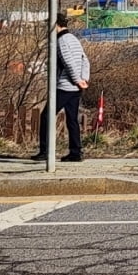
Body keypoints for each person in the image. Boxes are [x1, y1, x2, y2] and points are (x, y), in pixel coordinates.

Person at [31, 11, 91, 162]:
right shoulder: (74, 39)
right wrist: (84, 79)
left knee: (46, 116)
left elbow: (68, 62)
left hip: (65, 86)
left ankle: (45, 151)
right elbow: (85, 60)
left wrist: (77, 80)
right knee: (72, 119)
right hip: (76, 88)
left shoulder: (62, 41)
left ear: (55, 25)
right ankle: (75, 152)